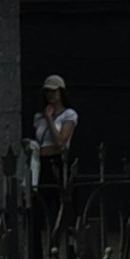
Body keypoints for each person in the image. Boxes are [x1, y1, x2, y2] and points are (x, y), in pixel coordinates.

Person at [29, 74, 78, 242]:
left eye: (53, 91)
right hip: (41, 162)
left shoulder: (69, 115)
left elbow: (60, 142)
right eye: (47, 92)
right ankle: (36, 256)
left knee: (64, 209)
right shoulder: (38, 117)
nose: (50, 95)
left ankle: (69, 249)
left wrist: (50, 119)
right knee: (37, 208)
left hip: (57, 161)